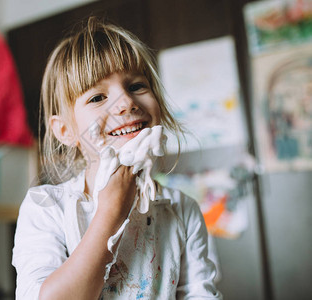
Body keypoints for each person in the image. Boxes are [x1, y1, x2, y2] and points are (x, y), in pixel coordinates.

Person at [12, 17, 222, 300]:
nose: (126, 103)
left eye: (136, 86)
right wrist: (110, 213)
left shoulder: (181, 210)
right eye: (97, 97)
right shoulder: (47, 208)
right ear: (65, 131)